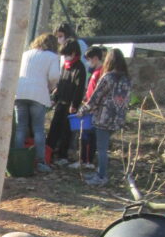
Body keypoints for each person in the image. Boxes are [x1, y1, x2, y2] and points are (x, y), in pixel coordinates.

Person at [79, 47, 131, 187]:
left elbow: (95, 98)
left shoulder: (107, 77)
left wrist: (83, 111)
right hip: (118, 119)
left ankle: (102, 176)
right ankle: (100, 173)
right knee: (104, 147)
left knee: (102, 149)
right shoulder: (126, 79)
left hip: (103, 118)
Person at [14, 33, 60, 173]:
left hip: (20, 92)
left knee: (20, 127)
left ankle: (18, 159)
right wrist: (51, 86)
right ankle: (40, 161)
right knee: (38, 129)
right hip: (38, 94)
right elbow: (54, 76)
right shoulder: (52, 57)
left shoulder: (26, 54)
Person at [46, 37, 87, 165]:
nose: (65, 57)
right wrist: (55, 98)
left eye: (67, 54)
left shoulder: (80, 68)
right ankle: (49, 152)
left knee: (66, 131)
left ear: (74, 53)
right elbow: (61, 83)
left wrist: (74, 104)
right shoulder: (65, 66)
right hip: (61, 102)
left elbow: (79, 88)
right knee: (54, 128)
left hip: (70, 104)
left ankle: (62, 155)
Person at [71, 46, 103, 169]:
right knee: (84, 134)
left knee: (89, 135)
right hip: (89, 106)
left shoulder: (101, 72)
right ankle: (83, 159)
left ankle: (87, 161)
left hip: (94, 109)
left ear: (95, 58)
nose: (88, 62)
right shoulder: (95, 72)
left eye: (89, 59)